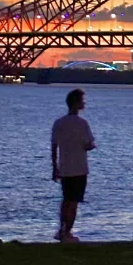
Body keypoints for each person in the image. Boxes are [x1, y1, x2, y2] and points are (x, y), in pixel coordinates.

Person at [51, 89, 96, 242]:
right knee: (74, 202)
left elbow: (54, 146)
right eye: (82, 100)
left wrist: (54, 168)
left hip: (64, 167)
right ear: (77, 103)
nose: (84, 103)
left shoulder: (59, 123)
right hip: (79, 168)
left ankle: (61, 229)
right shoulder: (82, 124)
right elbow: (88, 144)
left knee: (65, 200)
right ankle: (67, 233)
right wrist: (90, 146)